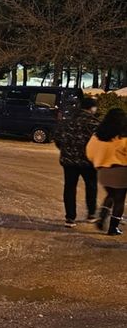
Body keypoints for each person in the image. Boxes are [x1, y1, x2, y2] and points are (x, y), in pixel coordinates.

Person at [54, 97, 100, 227]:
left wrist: (65, 150)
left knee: (69, 187)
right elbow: (99, 141)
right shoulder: (93, 122)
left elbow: (57, 137)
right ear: (91, 108)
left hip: (68, 160)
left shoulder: (67, 121)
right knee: (91, 186)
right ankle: (91, 213)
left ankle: (70, 218)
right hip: (87, 161)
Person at [86, 108, 127, 236]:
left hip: (103, 171)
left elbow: (90, 151)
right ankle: (113, 228)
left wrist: (98, 161)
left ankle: (103, 216)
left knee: (111, 195)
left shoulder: (98, 134)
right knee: (119, 200)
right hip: (121, 170)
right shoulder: (123, 135)